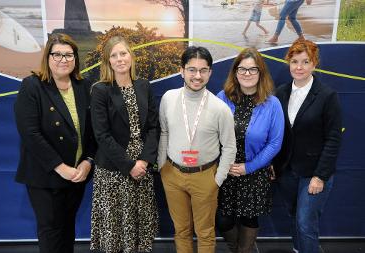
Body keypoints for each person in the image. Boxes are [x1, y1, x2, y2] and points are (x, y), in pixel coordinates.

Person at [14, 33, 95, 253]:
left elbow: (92, 133)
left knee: (67, 230)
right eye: (57, 54)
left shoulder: (84, 86)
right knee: (51, 233)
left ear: (75, 58)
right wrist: (61, 168)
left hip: (77, 175)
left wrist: (87, 163)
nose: (63, 59)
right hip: (46, 175)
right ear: (48, 57)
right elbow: (30, 133)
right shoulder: (32, 86)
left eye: (68, 55)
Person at [158, 46, 237, 253]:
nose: (197, 76)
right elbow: (164, 133)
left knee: (205, 232)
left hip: (205, 177)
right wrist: (161, 167)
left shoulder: (220, 108)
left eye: (203, 70)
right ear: (182, 71)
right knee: (181, 230)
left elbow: (230, 147)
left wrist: (217, 180)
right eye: (192, 69)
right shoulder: (168, 98)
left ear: (210, 72)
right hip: (172, 175)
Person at [90, 36, 159, 253]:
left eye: (123, 53)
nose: (120, 59)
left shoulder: (144, 86)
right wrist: (129, 165)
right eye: (114, 55)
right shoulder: (100, 90)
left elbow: (153, 127)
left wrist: (144, 161)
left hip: (142, 167)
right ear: (107, 61)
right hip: (114, 169)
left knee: (140, 228)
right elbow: (102, 135)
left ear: (131, 56)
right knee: (116, 231)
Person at [273, 39, 342, 253]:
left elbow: (333, 139)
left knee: (305, 223)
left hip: (313, 174)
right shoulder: (281, 93)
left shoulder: (327, 96)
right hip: (287, 173)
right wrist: (273, 164)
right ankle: (297, 249)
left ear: (314, 64)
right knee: (295, 218)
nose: (299, 67)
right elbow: (277, 134)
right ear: (289, 63)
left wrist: (320, 176)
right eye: (295, 61)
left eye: (305, 61)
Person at [216, 48, 284, 253]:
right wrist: (223, 165)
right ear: (235, 72)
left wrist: (249, 167)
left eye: (253, 69)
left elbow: (274, 143)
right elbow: (210, 135)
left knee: (249, 217)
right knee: (224, 218)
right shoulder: (222, 98)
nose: (247, 74)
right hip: (225, 170)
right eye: (242, 69)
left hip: (254, 171)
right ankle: (237, 249)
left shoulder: (272, 104)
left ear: (261, 73)